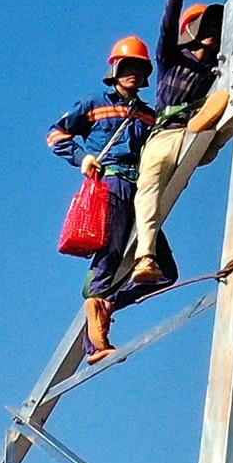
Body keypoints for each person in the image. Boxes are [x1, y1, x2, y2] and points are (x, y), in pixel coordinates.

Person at [46, 36, 157, 357]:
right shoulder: (94, 103)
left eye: (139, 68)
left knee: (161, 269)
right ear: (116, 70)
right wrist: (82, 158)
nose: (133, 73)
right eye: (128, 66)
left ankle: (105, 303)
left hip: (141, 188)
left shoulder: (148, 114)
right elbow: (56, 134)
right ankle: (96, 342)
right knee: (110, 254)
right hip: (110, 182)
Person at [129, 0, 232, 287]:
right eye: (207, 27)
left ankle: (205, 125)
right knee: (149, 192)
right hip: (164, 136)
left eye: (217, 28)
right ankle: (145, 256)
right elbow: (167, 26)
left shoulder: (219, 71)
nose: (212, 33)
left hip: (193, 138)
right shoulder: (172, 59)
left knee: (232, 104)